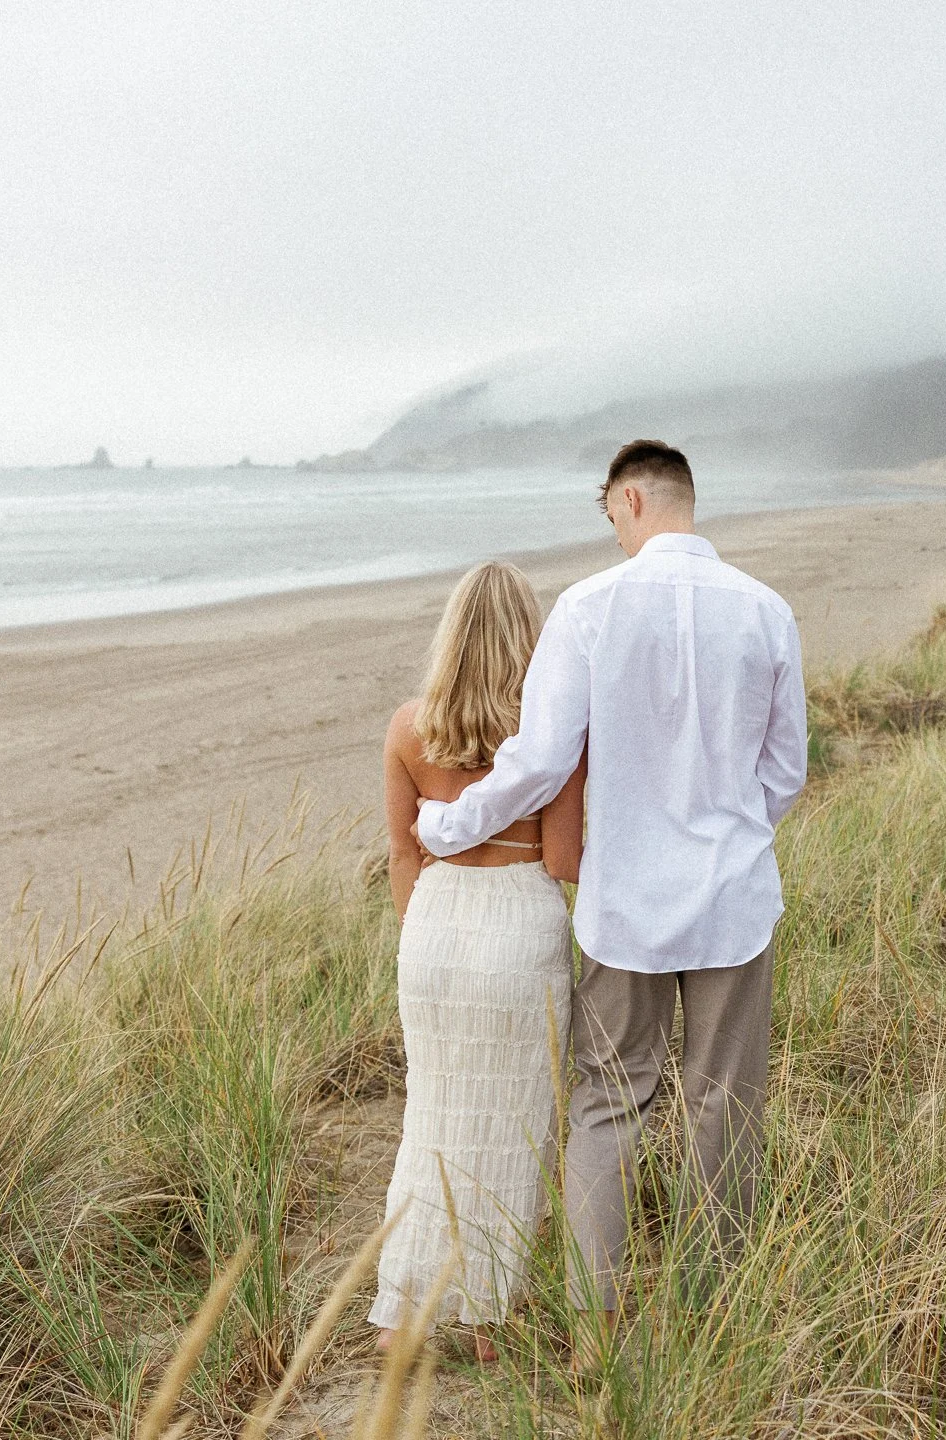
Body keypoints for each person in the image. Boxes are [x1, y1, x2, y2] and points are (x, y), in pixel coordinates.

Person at [414, 440, 809, 1366]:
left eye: (608, 516)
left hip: (625, 903)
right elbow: (786, 769)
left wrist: (448, 826)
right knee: (724, 1103)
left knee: (607, 1103)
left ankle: (596, 1333)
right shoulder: (766, 610)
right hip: (732, 901)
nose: (613, 533)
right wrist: (730, 838)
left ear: (630, 500)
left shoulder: (589, 607)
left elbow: (541, 762)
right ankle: (712, 1314)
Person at [371, 560, 588, 1363]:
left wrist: (425, 935)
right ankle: (488, 1319)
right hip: (519, 929)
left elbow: (402, 853)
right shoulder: (550, 733)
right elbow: (562, 860)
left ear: (452, 636)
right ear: (529, 637)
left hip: (434, 929)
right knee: (514, 1124)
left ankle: (402, 1313)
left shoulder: (408, 727)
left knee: (431, 1117)